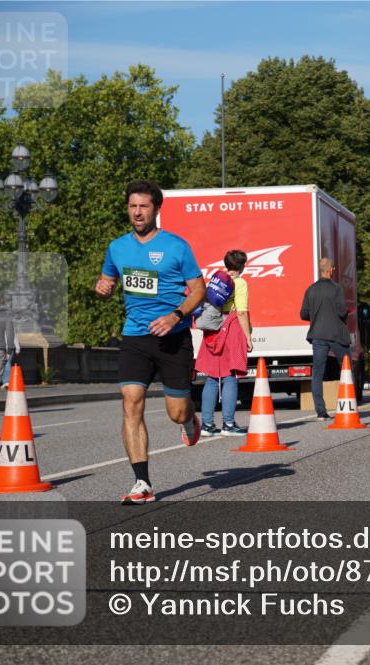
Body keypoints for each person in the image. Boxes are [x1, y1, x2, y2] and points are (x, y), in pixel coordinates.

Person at [96, 180, 206, 505]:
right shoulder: (117, 247)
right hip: (135, 336)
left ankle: (189, 419)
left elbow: (199, 289)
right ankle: (142, 482)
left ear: (157, 209)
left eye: (144, 206)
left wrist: (175, 315)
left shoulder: (177, 246)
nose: (137, 212)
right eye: (133, 206)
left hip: (173, 338)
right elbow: (107, 280)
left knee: (176, 411)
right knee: (131, 402)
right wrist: (102, 288)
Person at [195, 250, 254, 436]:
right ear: (242, 266)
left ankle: (207, 424)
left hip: (213, 328)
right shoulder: (240, 283)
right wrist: (248, 337)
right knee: (230, 377)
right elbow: (242, 312)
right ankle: (228, 424)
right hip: (231, 327)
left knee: (212, 378)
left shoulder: (216, 280)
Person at [300, 257, 351, 421]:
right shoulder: (337, 289)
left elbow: (303, 314)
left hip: (317, 335)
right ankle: (348, 405)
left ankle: (321, 412)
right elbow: (342, 311)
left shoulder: (310, 290)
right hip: (336, 335)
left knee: (317, 373)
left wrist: (316, 315)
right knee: (346, 368)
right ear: (331, 270)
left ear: (320, 270)